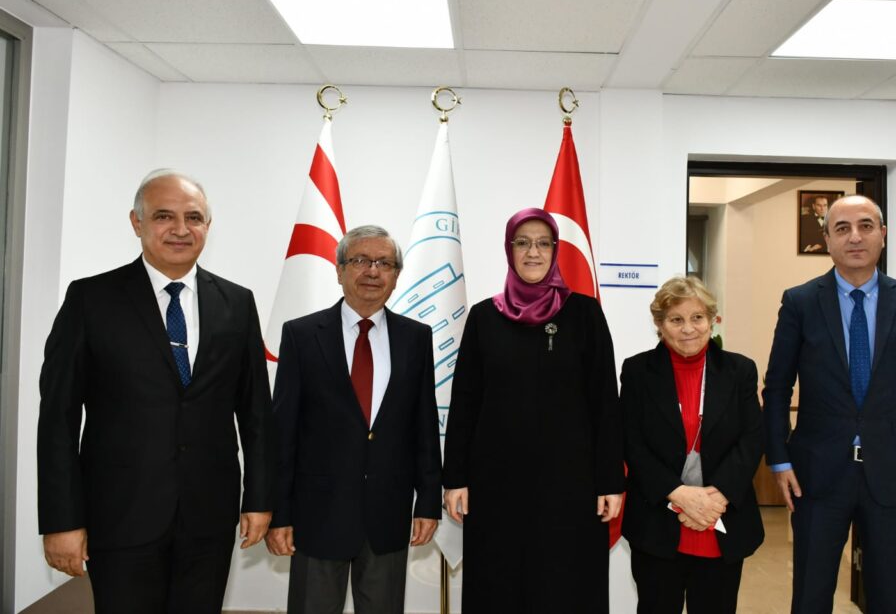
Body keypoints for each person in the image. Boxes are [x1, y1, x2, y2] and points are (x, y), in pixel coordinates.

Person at [37, 169, 275, 613]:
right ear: (137, 222)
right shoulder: (91, 299)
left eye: (194, 217)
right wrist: (62, 520)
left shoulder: (238, 303)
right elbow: (57, 420)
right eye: (164, 216)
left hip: (209, 516)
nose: (181, 229)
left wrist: (260, 499)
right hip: (119, 517)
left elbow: (256, 413)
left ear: (208, 225)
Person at [763, 195, 896, 613]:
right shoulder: (800, 302)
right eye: (842, 229)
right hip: (816, 476)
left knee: (888, 598)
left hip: (893, 474)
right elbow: (776, 388)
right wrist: (779, 459)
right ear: (827, 240)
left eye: (866, 226)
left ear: (883, 234)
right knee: (810, 597)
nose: (855, 237)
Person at [442, 207, 624, 614]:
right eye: (522, 243)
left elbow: (604, 403)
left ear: (556, 250)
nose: (533, 252)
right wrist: (455, 478)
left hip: (571, 486)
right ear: (509, 250)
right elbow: (465, 402)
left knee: (565, 588)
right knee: (498, 587)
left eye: (543, 243)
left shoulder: (585, 314)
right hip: (495, 486)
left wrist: (611, 481)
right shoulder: (483, 317)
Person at [266, 225, 441, 614]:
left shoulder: (416, 338)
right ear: (339, 269)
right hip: (317, 516)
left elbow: (424, 426)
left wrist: (428, 502)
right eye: (361, 260)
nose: (373, 271)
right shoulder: (302, 335)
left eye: (385, 263)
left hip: (388, 514)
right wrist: (280, 513)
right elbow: (284, 432)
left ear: (396, 274)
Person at [620, 275, 764, 614]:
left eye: (697, 317)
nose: (688, 329)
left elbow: (752, 437)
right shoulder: (638, 371)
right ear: (659, 325)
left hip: (721, 520)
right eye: (676, 319)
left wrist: (717, 498)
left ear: (712, 321)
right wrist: (678, 494)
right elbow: (630, 441)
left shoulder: (740, 370)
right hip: (658, 523)